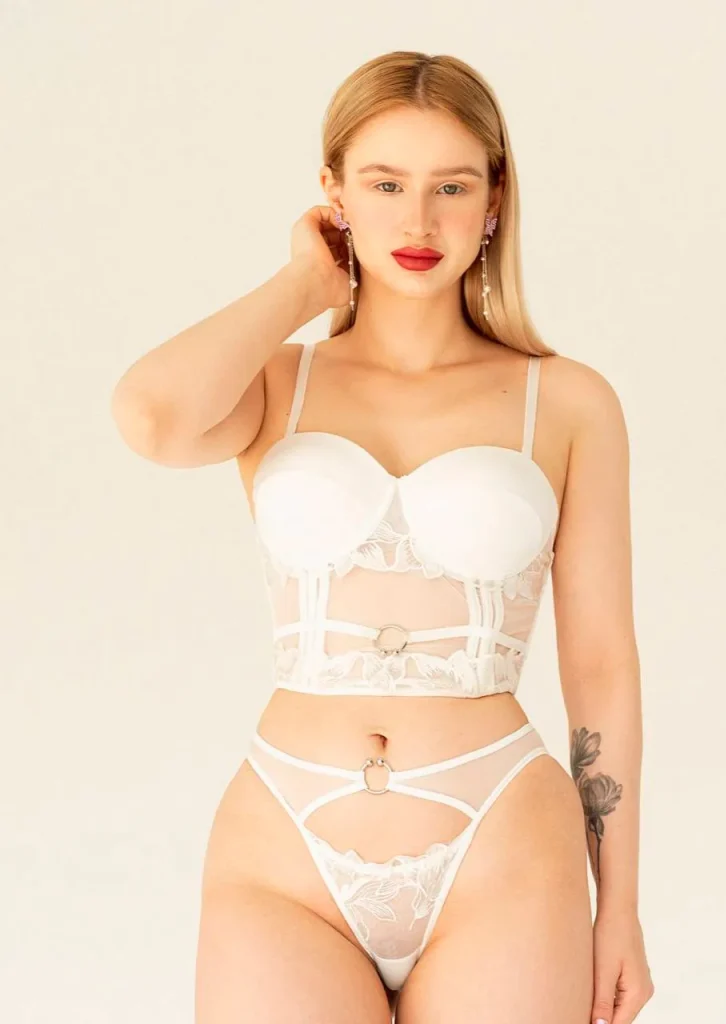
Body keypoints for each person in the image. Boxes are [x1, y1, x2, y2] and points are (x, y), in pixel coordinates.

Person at [111, 50, 653, 1024]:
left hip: (502, 847)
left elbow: (601, 663)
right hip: (284, 853)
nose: (418, 222)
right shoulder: (277, 384)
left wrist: (619, 909)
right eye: (385, 184)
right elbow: (150, 419)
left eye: (452, 186)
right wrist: (301, 284)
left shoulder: (569, 401)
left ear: (495, 199)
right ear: (335, 194)